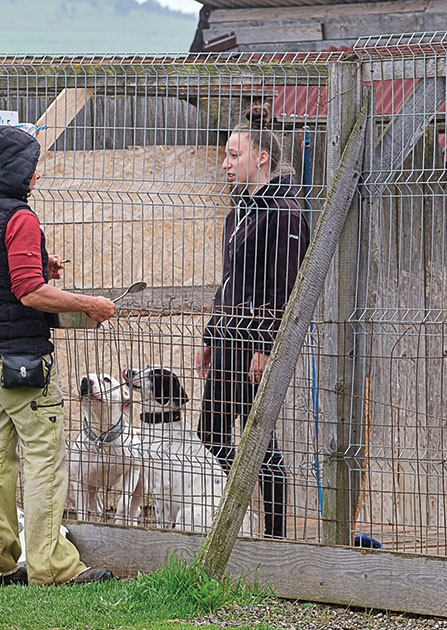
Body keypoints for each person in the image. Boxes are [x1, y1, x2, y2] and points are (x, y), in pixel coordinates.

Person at [0, 124, 117, 586]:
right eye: (32, 166)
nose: (37, 175)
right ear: (15, 170)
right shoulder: (19, 217)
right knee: (45, 455)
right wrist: (90, 304)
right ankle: (52, 567)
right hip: (18, 361)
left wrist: (40, 265)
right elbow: (28, 293)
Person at [195, 105, 311, 539]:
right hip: (228, 335)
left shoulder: (284, 210)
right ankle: (238, 514)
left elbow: (284, 287)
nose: (225, 164)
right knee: (214, 433)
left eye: (233, 155)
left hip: (253, 340)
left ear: (261, 157)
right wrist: (211, 333)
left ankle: (274, 536)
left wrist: (265, 345)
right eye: (225, 156)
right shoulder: (237, 212)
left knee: (254, 439)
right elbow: (230, 281)